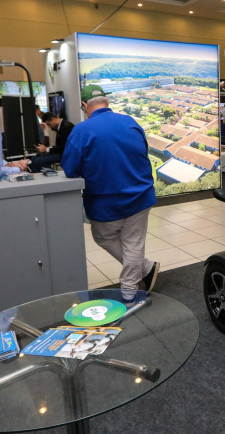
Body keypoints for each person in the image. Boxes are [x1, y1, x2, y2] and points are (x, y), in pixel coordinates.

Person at [62, 85, 159, 298]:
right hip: (140, 195)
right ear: (107, 102)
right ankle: (144, 269)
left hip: (104, 202)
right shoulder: (130, 122)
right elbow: (143, 151)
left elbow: (70, 169)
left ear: (85, 105)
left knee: (105, 238)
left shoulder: (81, 130)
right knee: (133, 244)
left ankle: (129, 293)